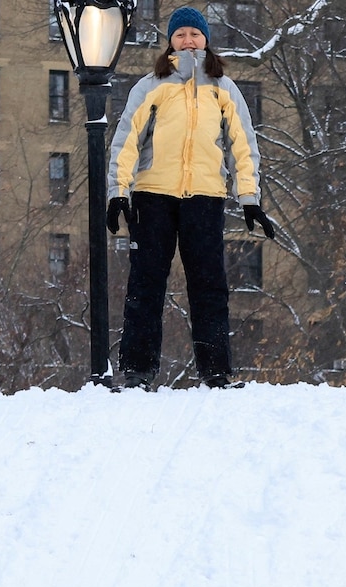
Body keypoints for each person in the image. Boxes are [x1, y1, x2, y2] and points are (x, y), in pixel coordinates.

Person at [106, 6, 271, 391]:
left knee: (209, 285)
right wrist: (118, 192)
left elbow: (243, 145)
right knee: (146, 284)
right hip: (153, 196)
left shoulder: (223, 88)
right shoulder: (150, 86)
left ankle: (216, 372)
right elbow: (126, 140)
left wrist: (249, 197)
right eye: (180, 35)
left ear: (205, 40)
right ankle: (137, 370)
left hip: (205, 198)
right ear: (170, 42)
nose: (188, 40)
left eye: (194, 35)